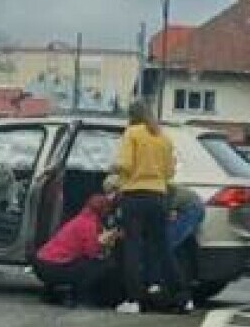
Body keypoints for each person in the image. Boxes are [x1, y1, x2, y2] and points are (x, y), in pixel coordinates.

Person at [112, 100, 188, 311]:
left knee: (133, 247)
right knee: (163, 248)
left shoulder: (132, 133)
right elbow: (170, 172)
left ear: (131, 115)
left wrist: (113, 167)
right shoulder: (162, 137)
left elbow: (125, 165)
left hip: (135, 196)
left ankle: (134, 299)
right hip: (158, 196)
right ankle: (182, 295)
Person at [33, 193, 121, 306]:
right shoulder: (88, 224)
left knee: (77, 261)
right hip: (53, 267)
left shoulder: (80, 218)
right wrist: (105, 242)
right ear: (103, 210)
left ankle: (49, 292)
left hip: (41, 262)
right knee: (101, 266)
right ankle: (80, 296)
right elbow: (91, 253)